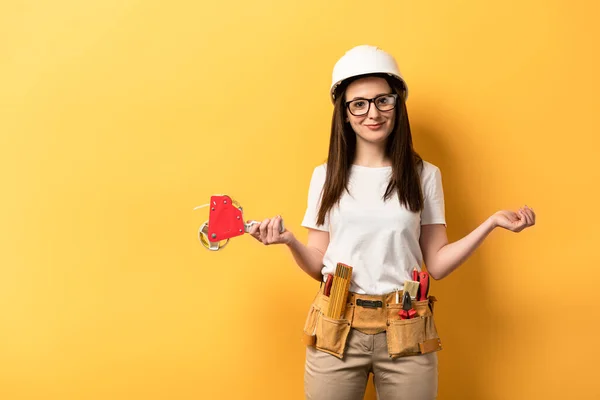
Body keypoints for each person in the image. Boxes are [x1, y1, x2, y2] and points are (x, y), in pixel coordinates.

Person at [248, 45, 536, 400]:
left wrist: (491, 223)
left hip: (406, 323)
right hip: (336, 322)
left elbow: (438, 264)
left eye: (384, 100)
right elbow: (317, 263)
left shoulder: (424, 175)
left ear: (398, 105)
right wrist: (290, 241)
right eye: (360, 103)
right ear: (345, 113)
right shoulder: (325, 176)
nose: (373, 113)